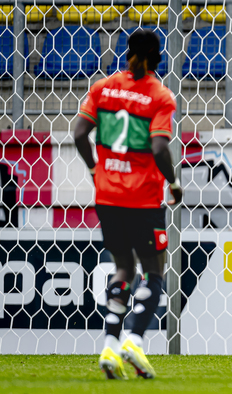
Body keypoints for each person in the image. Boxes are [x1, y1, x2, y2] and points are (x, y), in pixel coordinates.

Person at [74, 29, 182, 379]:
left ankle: (109, 345)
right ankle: (134, 337)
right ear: (157, 53)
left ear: (128, 51)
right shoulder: (159, 95)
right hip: (143, 198)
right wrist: (174, 182)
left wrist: (94, 168)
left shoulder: (102, 87)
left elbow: (77, 133)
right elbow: (158, 148)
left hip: (107, 196)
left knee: (123, 269)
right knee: (153, 272)